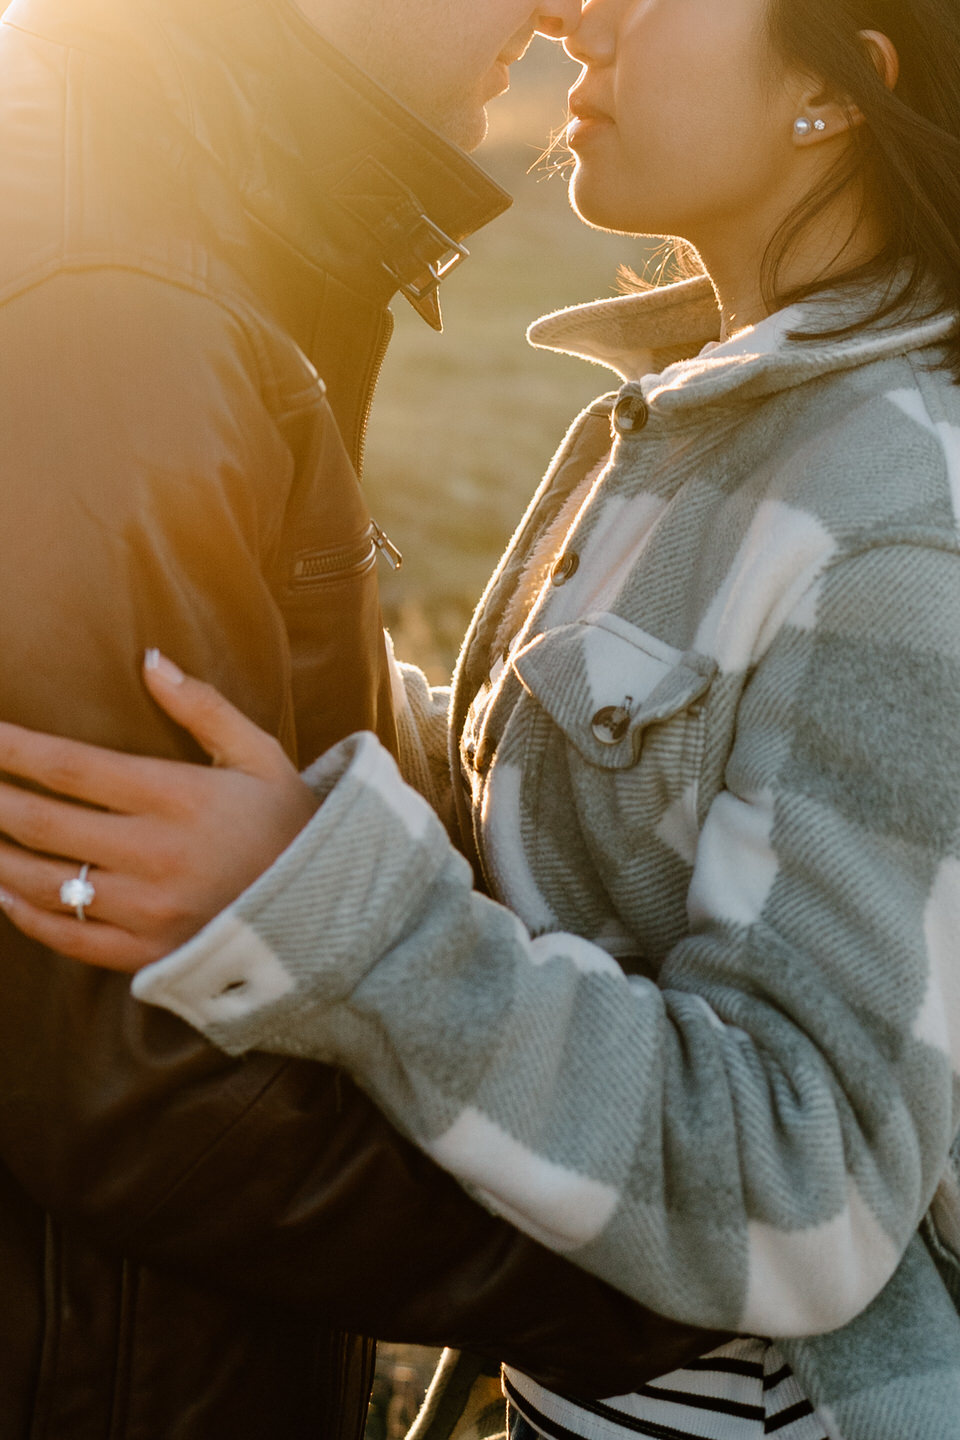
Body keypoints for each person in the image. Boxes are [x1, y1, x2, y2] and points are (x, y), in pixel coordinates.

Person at [2, 0, 960, 1437]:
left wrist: (334, 901)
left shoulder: (895, 516)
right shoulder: (715, 417)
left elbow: (805, 1191)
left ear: (835, 92)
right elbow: (605, 838)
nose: (590, 20)